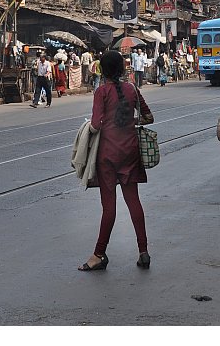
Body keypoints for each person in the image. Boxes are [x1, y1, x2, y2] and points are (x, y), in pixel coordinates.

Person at [78, 49, 153, 272]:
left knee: (109, 207)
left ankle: (99, 254)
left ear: (102, 70)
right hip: (130, 152)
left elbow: (95, 125)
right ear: (121, 68)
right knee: (134, 202)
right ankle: (143, 251)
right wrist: (130, 121)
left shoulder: (101, 92)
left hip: (108, 156)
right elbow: (149, 117)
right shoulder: (132, 89)